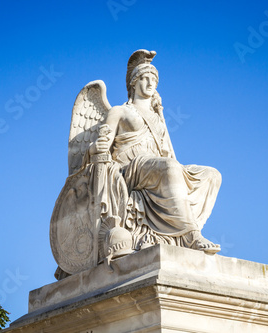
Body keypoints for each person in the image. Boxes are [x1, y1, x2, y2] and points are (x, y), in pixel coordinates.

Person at [89, 53, 222, 254]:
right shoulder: (119, 111)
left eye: (154, 80)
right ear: (134, 83)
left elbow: (168, 153)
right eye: (145, 78)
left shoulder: (158, 117)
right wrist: (96, 147)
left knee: (212, 175)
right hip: (131, 170)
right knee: (169, 167)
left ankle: (175, 228)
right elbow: (99, 146)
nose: (151, 83)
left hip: (156, 167)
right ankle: (190, 235)